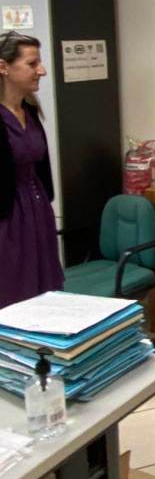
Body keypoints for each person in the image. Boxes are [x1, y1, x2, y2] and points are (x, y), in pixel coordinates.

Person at [0, 31, 64, 306]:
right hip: (6, 217)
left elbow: (41, 167)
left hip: (37, 212)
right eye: (32, 63)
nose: (42, 71)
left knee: (45, 292)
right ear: (3, 67)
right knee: (12, 292)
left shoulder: (30, 112)